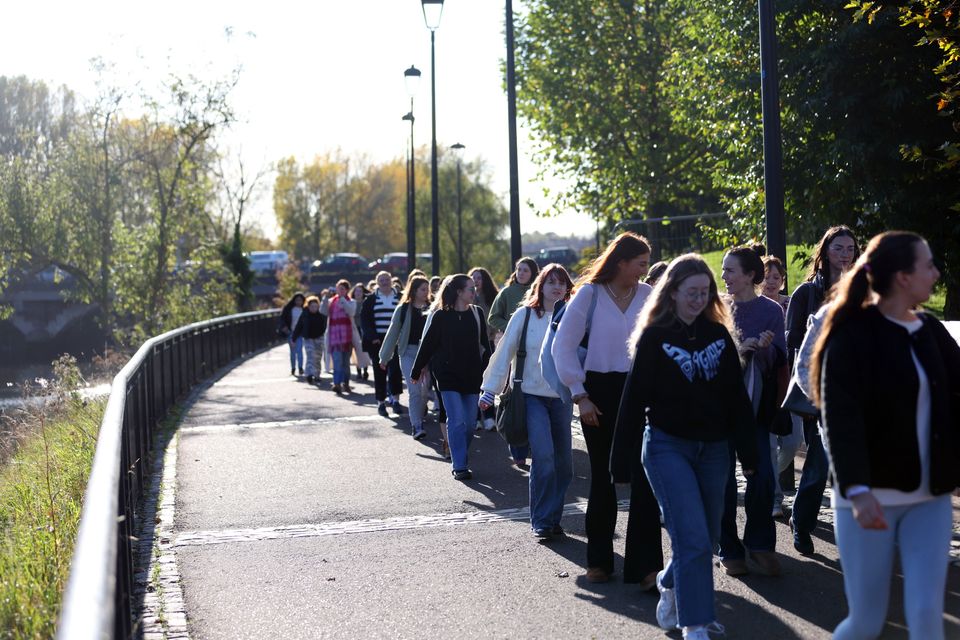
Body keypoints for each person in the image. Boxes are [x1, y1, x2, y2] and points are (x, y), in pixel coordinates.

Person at [811, 231, 959, 640]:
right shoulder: (852, 335)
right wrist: (857, 490)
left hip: (929, 499)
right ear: (903, 277)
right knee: (866, 621)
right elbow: (839, 419)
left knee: (927, 613)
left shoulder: (928, 330)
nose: (936, 273)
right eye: (928, 265)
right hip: (868, 501)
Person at [613, 254, 758, 640]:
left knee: (706, 538)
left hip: (713, 450)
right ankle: (695, 622)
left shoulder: (718, 336)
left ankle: (669, 580)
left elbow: (736, 401)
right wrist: (619, 464)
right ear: (673, 292)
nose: (698, 299)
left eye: (705, 292)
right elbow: (632, 401)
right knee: (691, 537)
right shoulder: (655, 337)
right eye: (691, 292)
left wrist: (751, 457)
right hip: (666, 446)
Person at [552, 231, 662, 586]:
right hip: (598, 392)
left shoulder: (648, 296)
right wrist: (579, 394)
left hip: (641, 391)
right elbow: (562, 346)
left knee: (643, 477)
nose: (644, 271)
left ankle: (646, 567)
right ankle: (599, 561)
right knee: (603, 477)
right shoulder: (590, 294)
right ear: (621, 262)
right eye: (640, 264)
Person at [479, 264, 575, 539]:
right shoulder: (524, 315)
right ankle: (543, 521)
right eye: (551, 282)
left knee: (564, 464)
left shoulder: (572, 317)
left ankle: (553, 516)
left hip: (562, 399)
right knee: (543, 458)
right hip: (530, 396)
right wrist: (489, 389)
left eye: (562, 283)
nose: (557, 287)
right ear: (541, 286)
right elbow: (504, 351)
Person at [786, 225, 860, 555]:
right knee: (817, 465)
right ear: (825, 251)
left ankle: (860, 537)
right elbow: (793, 347)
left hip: (858, 394)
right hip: (818, 392)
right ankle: (801, 524)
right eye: (839, 248)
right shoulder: (807, 293)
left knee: (851, 468)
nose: (845, 254)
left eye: (850, 249)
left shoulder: (865, 292)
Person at [717, 244, 787, 577]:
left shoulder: (772, 310)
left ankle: (760, 545)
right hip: (721, 409)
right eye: (724, 270)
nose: (724, 276)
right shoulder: (717, 307)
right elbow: (710, 355)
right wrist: (740, 350)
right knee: (722, 481)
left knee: (762, 478)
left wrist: (767, 348)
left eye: (730, 270)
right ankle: (728, 547)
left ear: (749, 275)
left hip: (757, 410)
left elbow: (781, 362)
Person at [411, 274, 492, 480]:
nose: (474, 292)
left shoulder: (477, 313)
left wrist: (489, 373)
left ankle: (459, 451)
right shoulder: (440, 316)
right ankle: (460, 465)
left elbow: (485, 346)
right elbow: (428, 344)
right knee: (456, 420)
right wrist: (417, 368)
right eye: (470, 289)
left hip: (472, 375)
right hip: (446, 375)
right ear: (458, 292)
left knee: (470, 424)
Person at [489, 257, 540, 458]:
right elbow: (493, 317)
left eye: (525, 270)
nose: (520, 273)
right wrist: (510, 329)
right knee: (514, 393)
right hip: (513, 350)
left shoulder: (538, 293)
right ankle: (514, 438)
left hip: (536, 351)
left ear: (534, 273)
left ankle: (531, 442)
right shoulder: (507, 293)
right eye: (519, 269)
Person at [761, 255, 799, 518]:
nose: (772, 282)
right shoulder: (756, 307)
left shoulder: (790, 305)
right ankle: (774, 498)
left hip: (793, 383)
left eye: (777, 277)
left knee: (793, 442)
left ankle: (768, 469)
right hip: (766, 386)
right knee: (770, 440)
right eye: (767, 277)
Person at [380, 276, 432, 440]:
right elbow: (392, 333)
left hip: (428, 354)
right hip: (408, 353)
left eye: (427, 289)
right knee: (414, 390)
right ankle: (417, 426)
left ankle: (420, 413)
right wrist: (384, 357)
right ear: (414, 290)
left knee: (425, 391)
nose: (426, 292)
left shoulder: (432, 308)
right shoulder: (403, 309)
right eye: (423, 289)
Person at [361, 271, 405, 417]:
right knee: (379, 372)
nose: (384, 282)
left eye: (387, 279)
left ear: (391, 281)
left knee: (395, 371)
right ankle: (381, 403)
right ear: (377, 282)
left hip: (396, 340)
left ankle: (396, 400)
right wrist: (372, 337)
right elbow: (365, 321)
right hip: (377, 340)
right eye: (381, 280)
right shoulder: (370, 299)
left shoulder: (400, 297)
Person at [470, 267, 500, 431]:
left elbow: (495, 319)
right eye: (473, 277)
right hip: (470, 347)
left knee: (488, 381)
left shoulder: (492, 297)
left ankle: (489, 416)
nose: (475, 280)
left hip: (488, 344)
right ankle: (475, 417)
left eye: (479, 278)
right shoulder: (467, 297)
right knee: (473, 382)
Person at [323, 280, 356, 394]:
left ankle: (345, 383)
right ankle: (337, 384)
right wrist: (325, 298)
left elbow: (351, 312)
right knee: (337, 362)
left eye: (342, 288)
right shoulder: (331, 301)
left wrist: (342, 299)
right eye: (338, 288)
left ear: (347, 290)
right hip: (334, 338)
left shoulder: (351, 301)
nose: (340, 291)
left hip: (347, 338)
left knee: (345, 363)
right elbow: (323, 311)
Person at [290, 295, 327, 384]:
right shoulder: (305, 314)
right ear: (308, 306)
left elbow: (326, 326)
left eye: (316, 306)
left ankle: (317, 375)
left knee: (317, 357)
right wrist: (293, 338)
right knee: (310, 356)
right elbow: (299, 326)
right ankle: (309, 375)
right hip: (308, 338)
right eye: (312, 306)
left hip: (319, 338)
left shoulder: (321, 315)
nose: (314, 308)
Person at [278, 292, 306, 376]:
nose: (299, 302)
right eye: (297, 300)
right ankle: (293, 368)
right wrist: (284, 327)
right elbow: (282, 319)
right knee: (293, 351)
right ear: (294, 300)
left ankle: (300, 367)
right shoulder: (289, 309)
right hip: (291, 332)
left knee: (300, 350)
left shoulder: (304, 309)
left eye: (300, 300)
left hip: (300, 333)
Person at [351, 283, 371, 382]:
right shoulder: (351, 302)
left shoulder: (366, 303)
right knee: (356, 351)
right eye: (356, 291)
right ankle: (358, 370)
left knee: (364, 350)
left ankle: (365, 370)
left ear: (363, 293)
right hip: (354, 329)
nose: (358, 293)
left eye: (360, 291)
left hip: (364, 329)